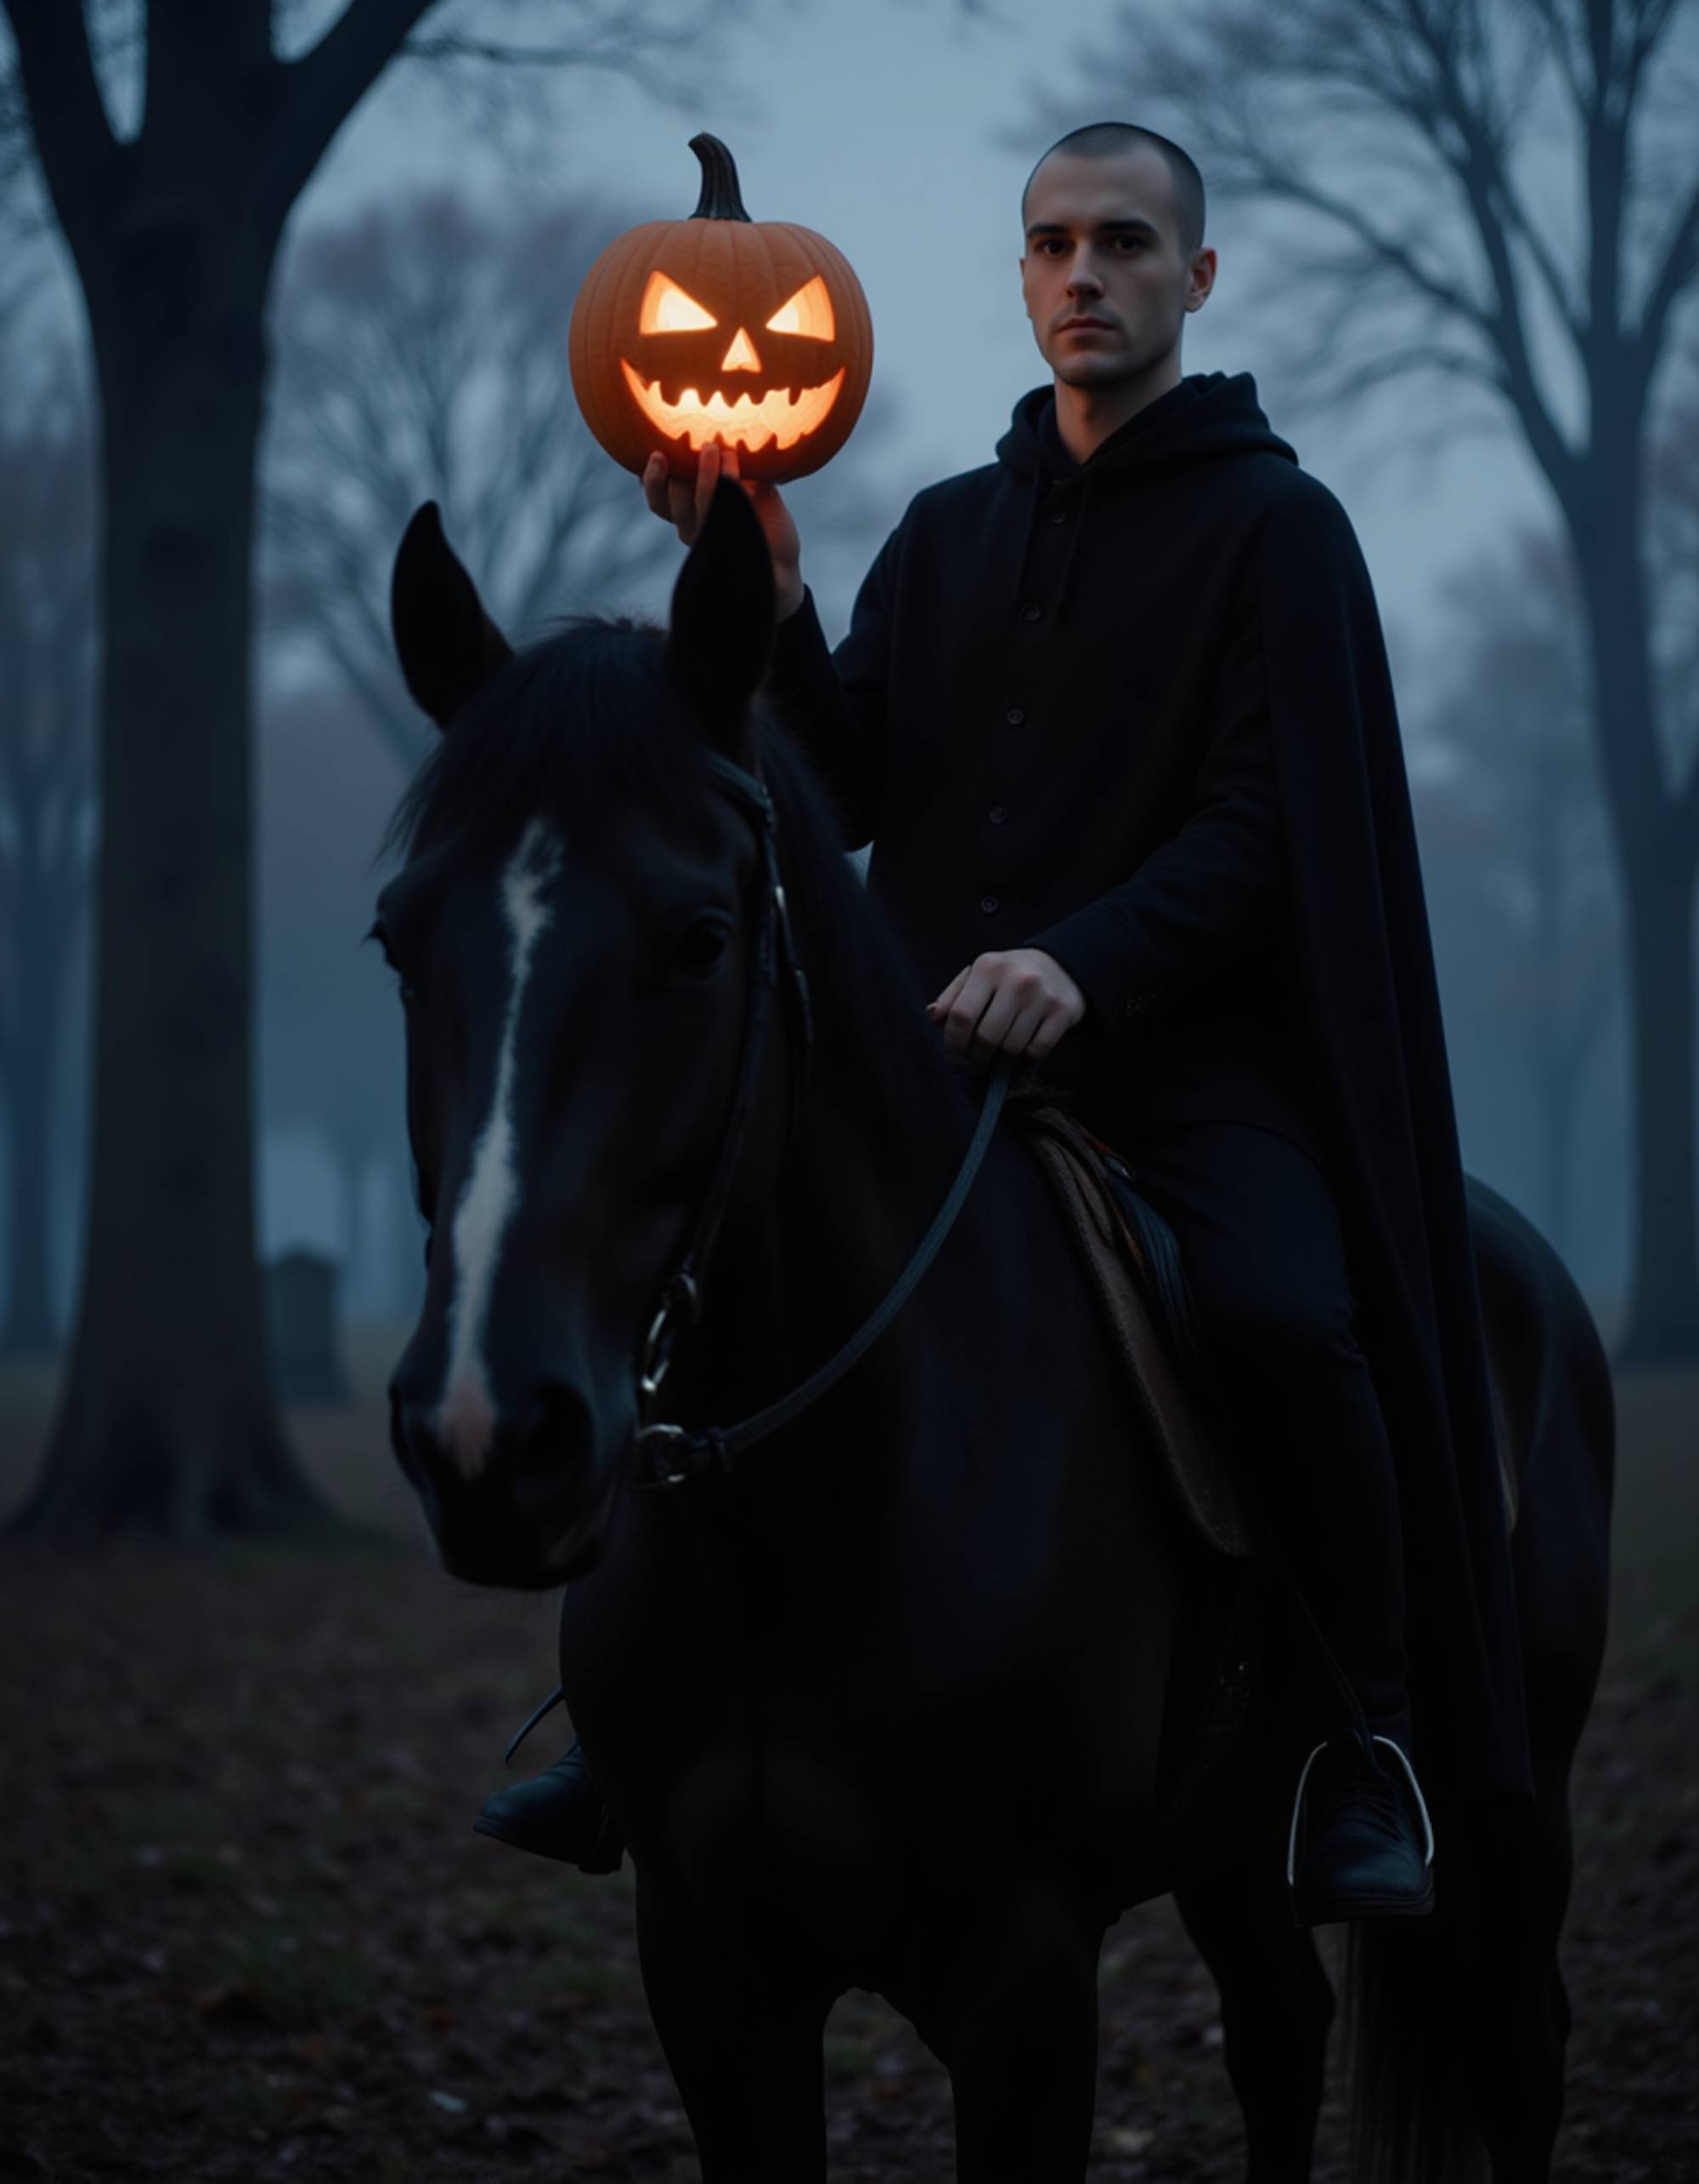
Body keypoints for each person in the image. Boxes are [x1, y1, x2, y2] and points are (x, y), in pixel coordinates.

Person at [474, 121, 1532, 1923]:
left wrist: (1085, 960)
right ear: (1021, 273)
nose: (1082, 276)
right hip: (926, 1063)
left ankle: (1364, 1737)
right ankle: (629, 1715)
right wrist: (783, 608)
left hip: (1184, 1071)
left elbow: (1269, 824)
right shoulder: (948, 529)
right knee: (712, 1278)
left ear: (1194, 279)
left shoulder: (1278, 531)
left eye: (1124, 244)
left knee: (1280, 1315)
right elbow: (836, 781)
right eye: (1050, 244)